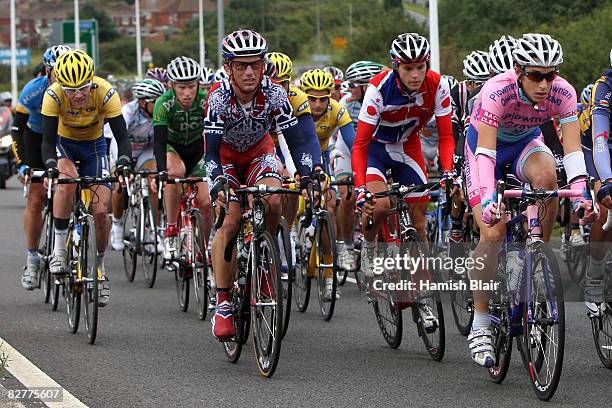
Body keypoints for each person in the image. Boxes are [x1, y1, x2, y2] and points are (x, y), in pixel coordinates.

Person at [464, 34, 595, 367]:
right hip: (484, 149)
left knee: (549, 178)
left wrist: (581, 190)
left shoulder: (564, 93)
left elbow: (573, 148)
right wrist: (491, 200)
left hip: (525, 143)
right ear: (518, 70)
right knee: (492, 233)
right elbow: (486, 153)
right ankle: (480, 321)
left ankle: (538, 252)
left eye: (550, 75)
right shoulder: (497, 90)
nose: (544, 84)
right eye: (536, 75)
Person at [204, 29, 321, 340]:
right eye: (241, 66)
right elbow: (211, 153)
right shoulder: (217, 98)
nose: (249, 72)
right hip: (226, 160)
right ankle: (224, 301)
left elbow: (297, 143)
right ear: (228, 68)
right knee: (229, 222)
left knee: (272, 199)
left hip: (260, 154)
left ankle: (265, 264)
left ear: (264, 65)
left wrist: (306, 175)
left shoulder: (275, 94)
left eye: (255, 64)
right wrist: (217, 183)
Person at [353, 32, 455, 285]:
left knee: (418, 219)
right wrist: (360, 189)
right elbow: (360, 144)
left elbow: (446, 137)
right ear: (396, 66)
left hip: (408, 149)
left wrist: (448, 172)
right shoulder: (379, 88)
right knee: (381, 206)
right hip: (375, 150)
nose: (415, 75)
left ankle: (423, 286)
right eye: (408, 68)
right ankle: (368, 246)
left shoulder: (438, 85)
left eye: (421, 67)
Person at [41, 49, 132, 307]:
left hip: (94, 147)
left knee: (101, 211)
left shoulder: (105, 91)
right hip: (65, 145)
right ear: (61, 86)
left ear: (92, 81)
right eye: (71, 90)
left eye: (83, 88)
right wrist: (49, 165)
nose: (78, 95)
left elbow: (122, 138)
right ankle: (59, 249)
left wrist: (124, 161)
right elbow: (47, 141)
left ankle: (99, 269)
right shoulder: (53, 95)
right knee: (67, 182)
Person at [11, 45, 72, 289]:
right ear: (48, 71)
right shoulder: (33, 91)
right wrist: (23, 164)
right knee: (36, 199)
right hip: (36, 140)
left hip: (65, 138)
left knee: (71, 188)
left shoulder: (78, 90)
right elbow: (16, 130)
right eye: (58, 71)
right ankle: (32, 258)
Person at [151, 56, 212, 261]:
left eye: (191, 87)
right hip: (172, 147)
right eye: (181, 88)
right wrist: (161, 171)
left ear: (197, 85)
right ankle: (170, 230)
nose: (187, 93)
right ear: (171, 85)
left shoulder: (206, 100)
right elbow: (158, 142)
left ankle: (205, 244)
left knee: (205, 201)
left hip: (198, 150)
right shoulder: (163, 103)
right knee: (174, 173)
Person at [335, 61, 385, 270]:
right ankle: (345, 246)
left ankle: (374, 242)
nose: (349, 88)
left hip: (374, 152)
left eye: (354, 84)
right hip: (348, 150)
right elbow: (351, 141)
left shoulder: (383, 101)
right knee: (348, 196)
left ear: (367, 86)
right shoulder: (347, 102)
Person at [107, 78, 166, 252]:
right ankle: (117, 226)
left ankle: (153, 230)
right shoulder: (127, 112)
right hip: (123, 151)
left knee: (153, 183)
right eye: (155, 101)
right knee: (119, 185)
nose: (159, 103)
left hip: (145, 152)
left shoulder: (161, 112)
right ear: (142, 102)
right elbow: (118, 140)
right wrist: (121, 166)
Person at [584, 49, 612, 317]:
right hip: (600, 149)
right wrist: (607, 181)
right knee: (605, 208)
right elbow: (600, 140)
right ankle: (593, 278)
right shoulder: (604, 88)